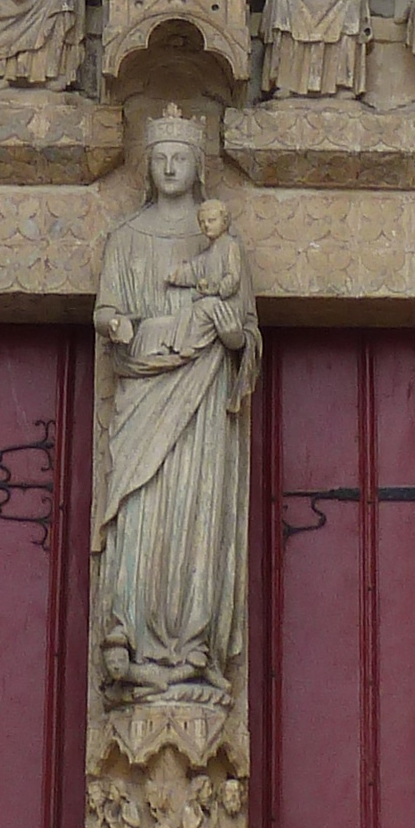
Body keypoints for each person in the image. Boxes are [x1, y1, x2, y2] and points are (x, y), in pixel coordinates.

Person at [92, 116, 260, 698]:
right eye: (159, 156)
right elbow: (106, 310)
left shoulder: (223, 247)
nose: (168, 167)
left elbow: (247, 337)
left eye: (179, 158)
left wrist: (232, 334)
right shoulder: (126, 238)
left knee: (194, 513)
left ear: (198, 168)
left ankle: (192, 645)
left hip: (204, 406)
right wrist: (116, 324)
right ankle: (131, 641)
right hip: (142, 394)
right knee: (141, 512)